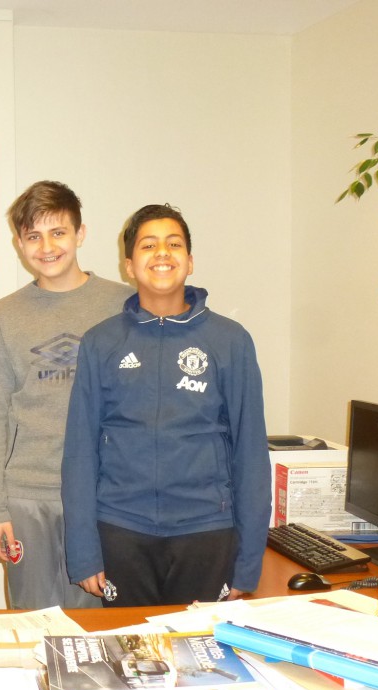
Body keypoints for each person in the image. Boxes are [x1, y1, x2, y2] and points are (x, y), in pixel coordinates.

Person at [62, 204, 270, 607]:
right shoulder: (101, 342)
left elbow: (250, 453)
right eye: (148, 245)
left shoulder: (230, 340)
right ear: (129, 265)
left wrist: (248, 562)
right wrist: (84, 552)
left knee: (202, 662)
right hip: (122, 530)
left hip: (207, 532)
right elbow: (80, 453)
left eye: (174, 244)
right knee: (129, 660)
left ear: (189, 262)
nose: (162, 253)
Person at [0, 181, 132, 609]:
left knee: (100, 625)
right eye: (33, 236)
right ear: (19, 243)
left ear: (80, 234)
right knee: (32, 624)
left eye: (58, 232)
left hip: (105, 497)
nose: (46, 246)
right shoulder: (4, 315)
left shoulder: (124, 306)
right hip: (27, 497)